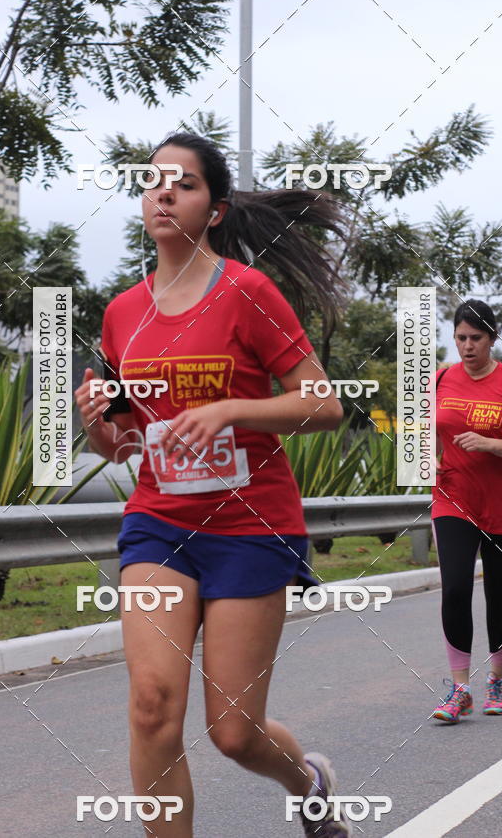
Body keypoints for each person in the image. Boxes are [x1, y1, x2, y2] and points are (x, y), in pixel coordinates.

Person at [75, 131, 353, 836]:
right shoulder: (122, 313)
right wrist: (96, 426)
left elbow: (323, 405)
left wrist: (232, 407)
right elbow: (122, 442)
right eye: (154, 181)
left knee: (233, 732)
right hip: (160, 522)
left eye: (185, 183)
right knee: (151, 705)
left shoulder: (249, 293)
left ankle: (308, 781)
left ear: (216, 209)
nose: (164, 192)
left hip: (249, 525)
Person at [431, 299, 502, 723]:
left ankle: (496, 679)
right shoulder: (439, 378)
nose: (467, 346)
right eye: (460, 338)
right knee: (455, 588)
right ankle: (459, 689)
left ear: (492, 338)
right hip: (452, 499)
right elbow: (425, 431)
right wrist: (428, 457)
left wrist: (491, 444)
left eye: (476, 338)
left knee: (497, 593)